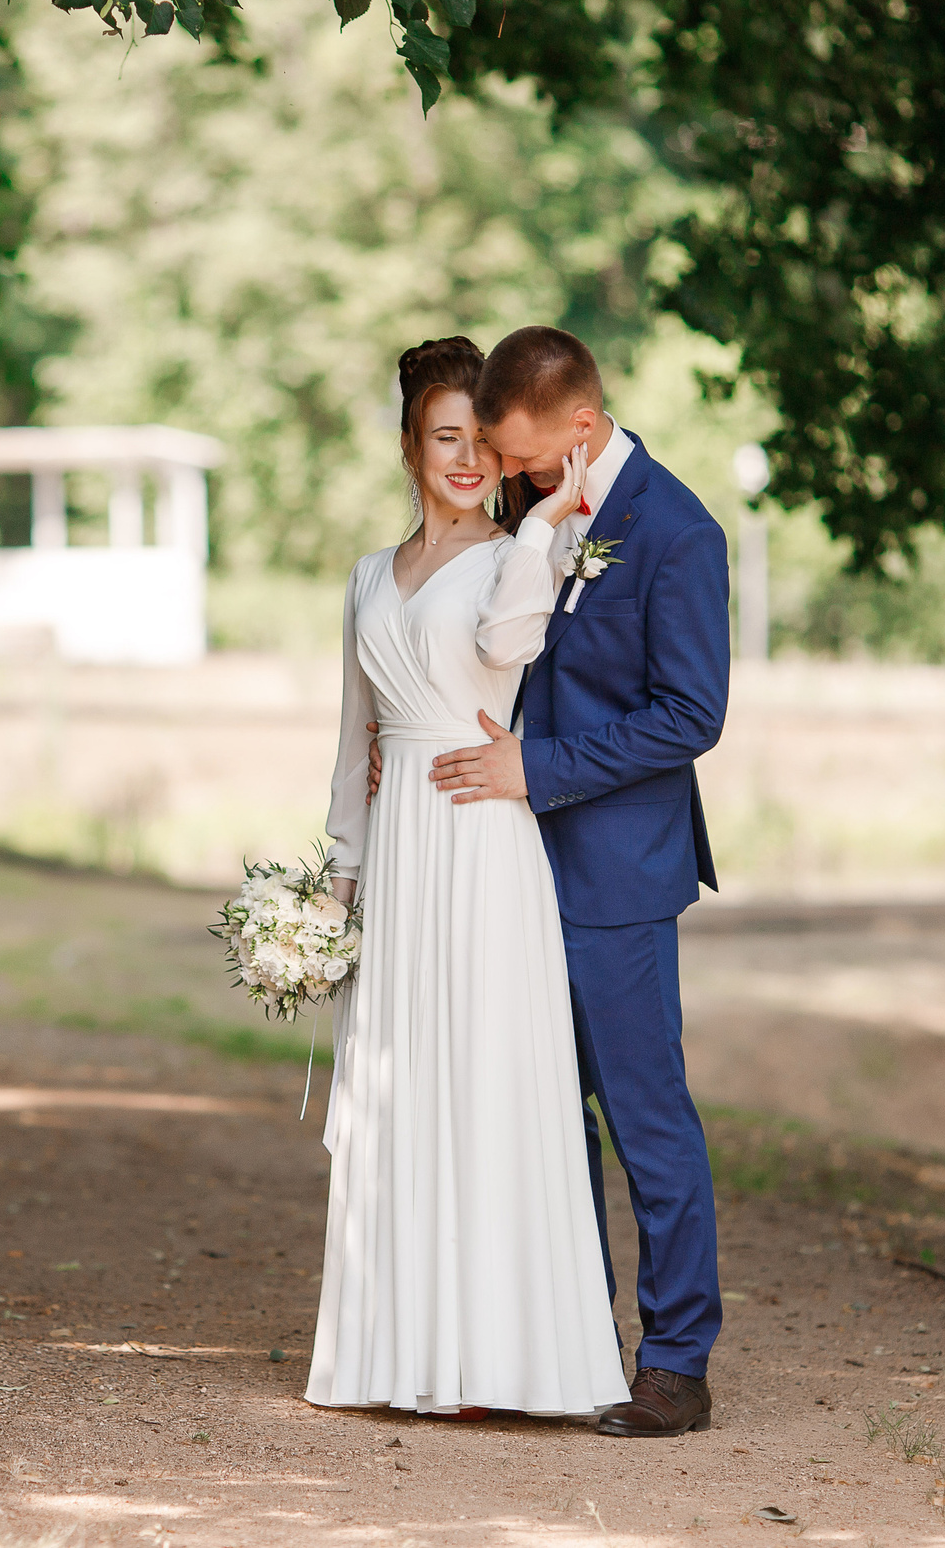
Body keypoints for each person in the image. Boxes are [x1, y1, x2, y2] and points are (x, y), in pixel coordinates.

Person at [379, 325, 731, 1438]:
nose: (513, 473)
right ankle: (571, 1340)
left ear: (581, 425)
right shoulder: (542, 515)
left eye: (527, 455)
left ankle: (676, 1361)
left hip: (615, 873)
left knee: (644, 1118)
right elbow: (509, 649)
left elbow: (691, 714)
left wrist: (538, 765)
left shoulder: (676, 532)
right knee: (543, 1119)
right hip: (508, 867)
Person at [303, 336, 631, 1421]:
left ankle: (501, 1359)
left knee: (485, 1080)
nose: (467, 461)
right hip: (400, 852)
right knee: (401, 1082)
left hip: (482, 840)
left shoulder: (509, 558)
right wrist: (332, 889)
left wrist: (538, 528)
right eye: (447, 438)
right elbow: (356, 744)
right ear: (409, 443)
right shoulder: (363, 578)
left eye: (482, 443)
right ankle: (401, 1353)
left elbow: (507, 645)